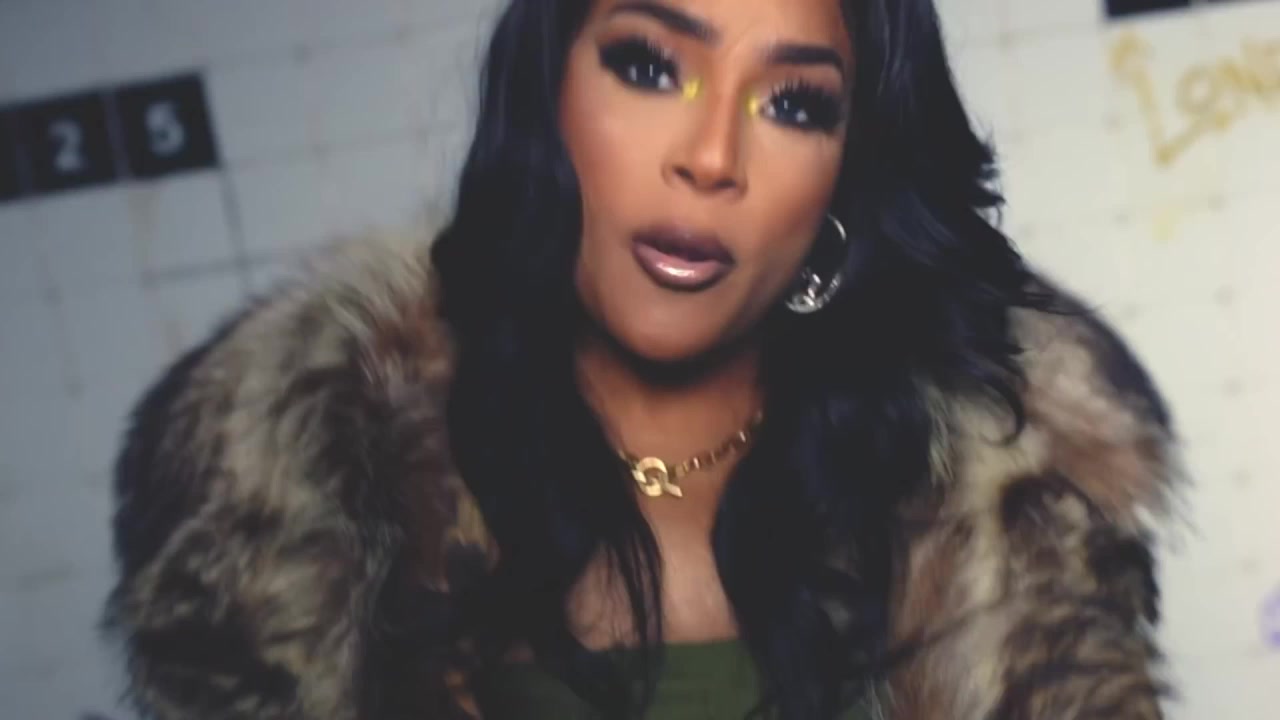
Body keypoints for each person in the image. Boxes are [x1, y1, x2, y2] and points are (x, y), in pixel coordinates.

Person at [101, 0, 1181, 718]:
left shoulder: (978, 487)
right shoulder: (332, 486)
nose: (711, 158)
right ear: (545, 93)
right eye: (649, 66)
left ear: (847, 176)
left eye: (794, 103)